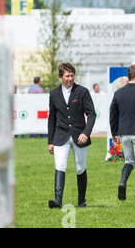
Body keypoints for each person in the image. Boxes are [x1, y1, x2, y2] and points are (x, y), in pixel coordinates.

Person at [47, 63, 96, 209]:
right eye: (67, 76)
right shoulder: (53, 94)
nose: (70, 78)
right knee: (60, 166)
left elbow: (91, 114)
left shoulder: (82, 91)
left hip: (79, 136)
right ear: (61, 77)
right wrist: (50, 141)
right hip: (60, 136)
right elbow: (52, 119)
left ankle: (81, 201)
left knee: (80, 168)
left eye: (72, 75)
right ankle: (58, 201)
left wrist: (86, 133)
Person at [110, 64, 135, 201]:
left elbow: (113, 114)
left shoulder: (118, 93)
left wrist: (114, 132)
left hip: (124, 132)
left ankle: (122, 182)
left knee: (129, 162)